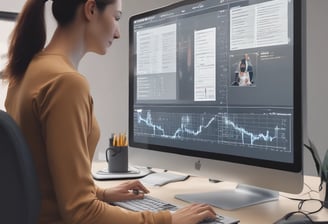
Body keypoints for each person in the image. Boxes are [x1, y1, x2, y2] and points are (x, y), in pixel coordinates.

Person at [3, 0, 216, 223]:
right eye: (116, 18)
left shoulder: (27, 71)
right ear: (91, 9)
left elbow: (42, 173)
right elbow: (82, 213)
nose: (118, 34)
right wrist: (167, 220)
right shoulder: (66, 82)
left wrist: (101, 193)